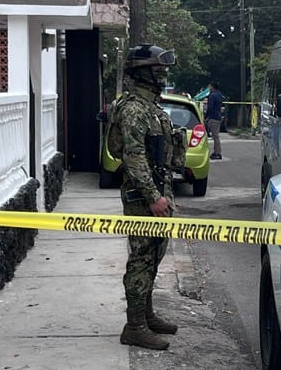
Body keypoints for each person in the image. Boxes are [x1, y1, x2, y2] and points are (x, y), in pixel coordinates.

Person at [111, 44, 179, 350]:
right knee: (140, 258)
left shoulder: (151, 106)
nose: (163, 75)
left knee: (154, 255)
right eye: (158, 69)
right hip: (143, 197)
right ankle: (134, 326)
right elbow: (134, 157)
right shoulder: (134, 109)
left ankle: (147, 315)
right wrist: (153, 197)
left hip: (158, 191)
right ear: (144, 72)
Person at [205, 82, 223, 160]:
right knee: (215, 135)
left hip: (213, 117)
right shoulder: (219, 94)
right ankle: (216, 151)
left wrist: (206, 117)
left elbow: (210, 108)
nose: (209, 88)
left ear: (212, 87)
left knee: (215, 136)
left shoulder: (212, 96)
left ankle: (217, 152)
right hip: (218, 116)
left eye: (210, 86)